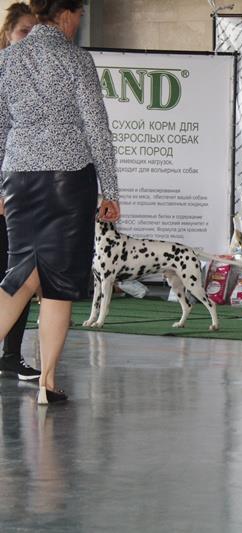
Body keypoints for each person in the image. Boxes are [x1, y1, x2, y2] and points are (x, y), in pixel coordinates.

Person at [0, 0, 121, 404]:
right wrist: (110, 190)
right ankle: (47, 383)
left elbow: (0, 126)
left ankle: (47, 381)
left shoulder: (8, 59)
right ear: (67, 14)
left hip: (19, 176)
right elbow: (97, 128)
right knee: (58, 283)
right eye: (80, 15)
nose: (79, 23)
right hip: (67, 180)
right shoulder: (75, 59)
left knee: (21, 272)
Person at [0, 3, 39, 381]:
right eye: (24, 31)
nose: (30, 38)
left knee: (20, 274)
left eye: (35, 31)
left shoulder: (41, 77)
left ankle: (11, 354)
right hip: (5, 190)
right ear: (8, 34)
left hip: (24, 194)